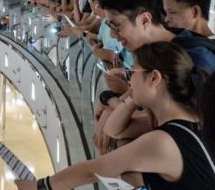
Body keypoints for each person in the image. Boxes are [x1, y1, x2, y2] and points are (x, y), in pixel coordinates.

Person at [15, 42, 215, 190]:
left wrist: (40, 186)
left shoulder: (163, 141)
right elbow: (114, 130)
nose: (128, 80)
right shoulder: (191, 118)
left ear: (154, 77)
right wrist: (132, 97)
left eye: (132, 73)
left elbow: (94, 169)